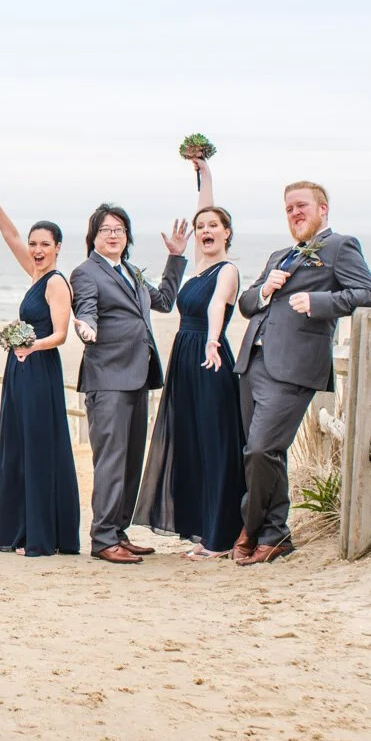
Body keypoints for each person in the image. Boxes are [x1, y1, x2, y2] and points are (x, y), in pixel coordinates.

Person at [233, 181, 371, 564]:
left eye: (302, 206)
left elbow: (367, 294)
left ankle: (251, 526)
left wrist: (318, 301)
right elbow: (246, 305)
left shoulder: (340, 247)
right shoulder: (279, 255)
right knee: (267, 453)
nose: (295, 213)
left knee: (260, 449)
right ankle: (276, 534)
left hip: (294, 366)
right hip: (252, 363)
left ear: (322, 208)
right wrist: (265, 290)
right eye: (289, 209)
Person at [133, 158, 245, 559]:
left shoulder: (227, 271)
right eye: (201, 227)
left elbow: (217, 306)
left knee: (214, 444)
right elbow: (203, 209)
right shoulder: (199, 266)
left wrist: (213, 340)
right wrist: (204, 176)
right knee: (191, 444)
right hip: (184, 358)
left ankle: (220, 538)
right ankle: (202, 529)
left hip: (209, 359)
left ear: (227, 233)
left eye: (214, 226)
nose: (205, 230)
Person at [70, 206, 189, 564]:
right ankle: (103, 538)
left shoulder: (131, 271)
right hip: (108, 378)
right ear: (93, 236)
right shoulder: (85, 272)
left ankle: (119, 531)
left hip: (138, 375)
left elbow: (164, 302)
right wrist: (86, 327)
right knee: (111, 460)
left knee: (132, 459)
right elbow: (86, 309)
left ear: (127, 236)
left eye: (119, 229)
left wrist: (176, 258)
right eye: (105, 229)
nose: (113, 235)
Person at [0, 167, 81, 557]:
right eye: (33, 244)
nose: (38, 250)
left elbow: (61, 334)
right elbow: (9, 237)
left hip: (39, 369)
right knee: (21, 446)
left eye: (45, 244)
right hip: (21, 370)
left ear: (58, 247)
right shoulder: (34, 274)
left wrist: (29, 346)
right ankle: (23, 530)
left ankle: (42, 537)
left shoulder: (56, 282)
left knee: (39, 446)